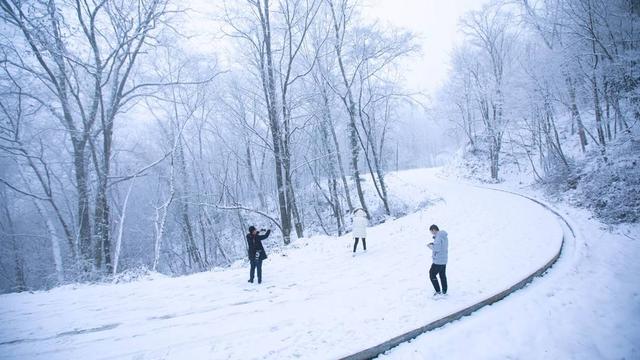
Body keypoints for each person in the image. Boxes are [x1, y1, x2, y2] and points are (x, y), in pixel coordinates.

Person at [427, 224, 448, 297]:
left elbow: (437, 248)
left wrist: (430, 246)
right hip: (444, 259)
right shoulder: (443, 236)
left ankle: (438, 291)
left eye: (431, 232)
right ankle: (444, 290)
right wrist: (434, 242)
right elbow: (440, 246)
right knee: (442, 275)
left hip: (438, 260)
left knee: (432, 274)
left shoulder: (438, 237)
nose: (432, 233)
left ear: (434, 230)